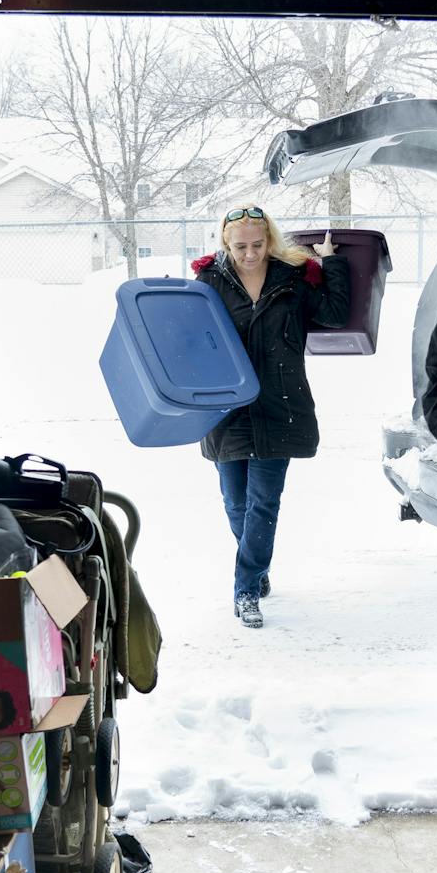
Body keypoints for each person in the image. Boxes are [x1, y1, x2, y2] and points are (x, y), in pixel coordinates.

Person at [191, 206, 351, 628]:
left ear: (270, 240)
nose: (249, 254)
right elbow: (189, 340)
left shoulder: (291, 278)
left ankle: (245, 590)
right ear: (226, 243)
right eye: (240, 246)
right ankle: (256, 567)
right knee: (236, 503)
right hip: (228, 408)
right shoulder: (209, 282)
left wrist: (330, 262)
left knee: (263, 504)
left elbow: (334, 313)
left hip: (280, 404)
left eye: (257, 245)